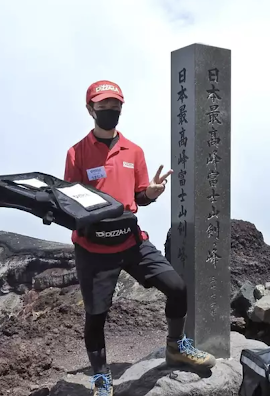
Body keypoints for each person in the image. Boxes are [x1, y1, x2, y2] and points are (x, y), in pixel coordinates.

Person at [63, 80, 216, 396]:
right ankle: (102, 377)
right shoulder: (76, 153)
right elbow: (69, 201)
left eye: (115, 105)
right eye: (103, 105)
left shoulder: (134, 151)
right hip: (93, 248)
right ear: (90, 108)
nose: (110, 110)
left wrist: (150, 192)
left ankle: (176, 346)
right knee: (96, 315)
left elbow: (138, 196)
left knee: (176, 286)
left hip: (131, 241)